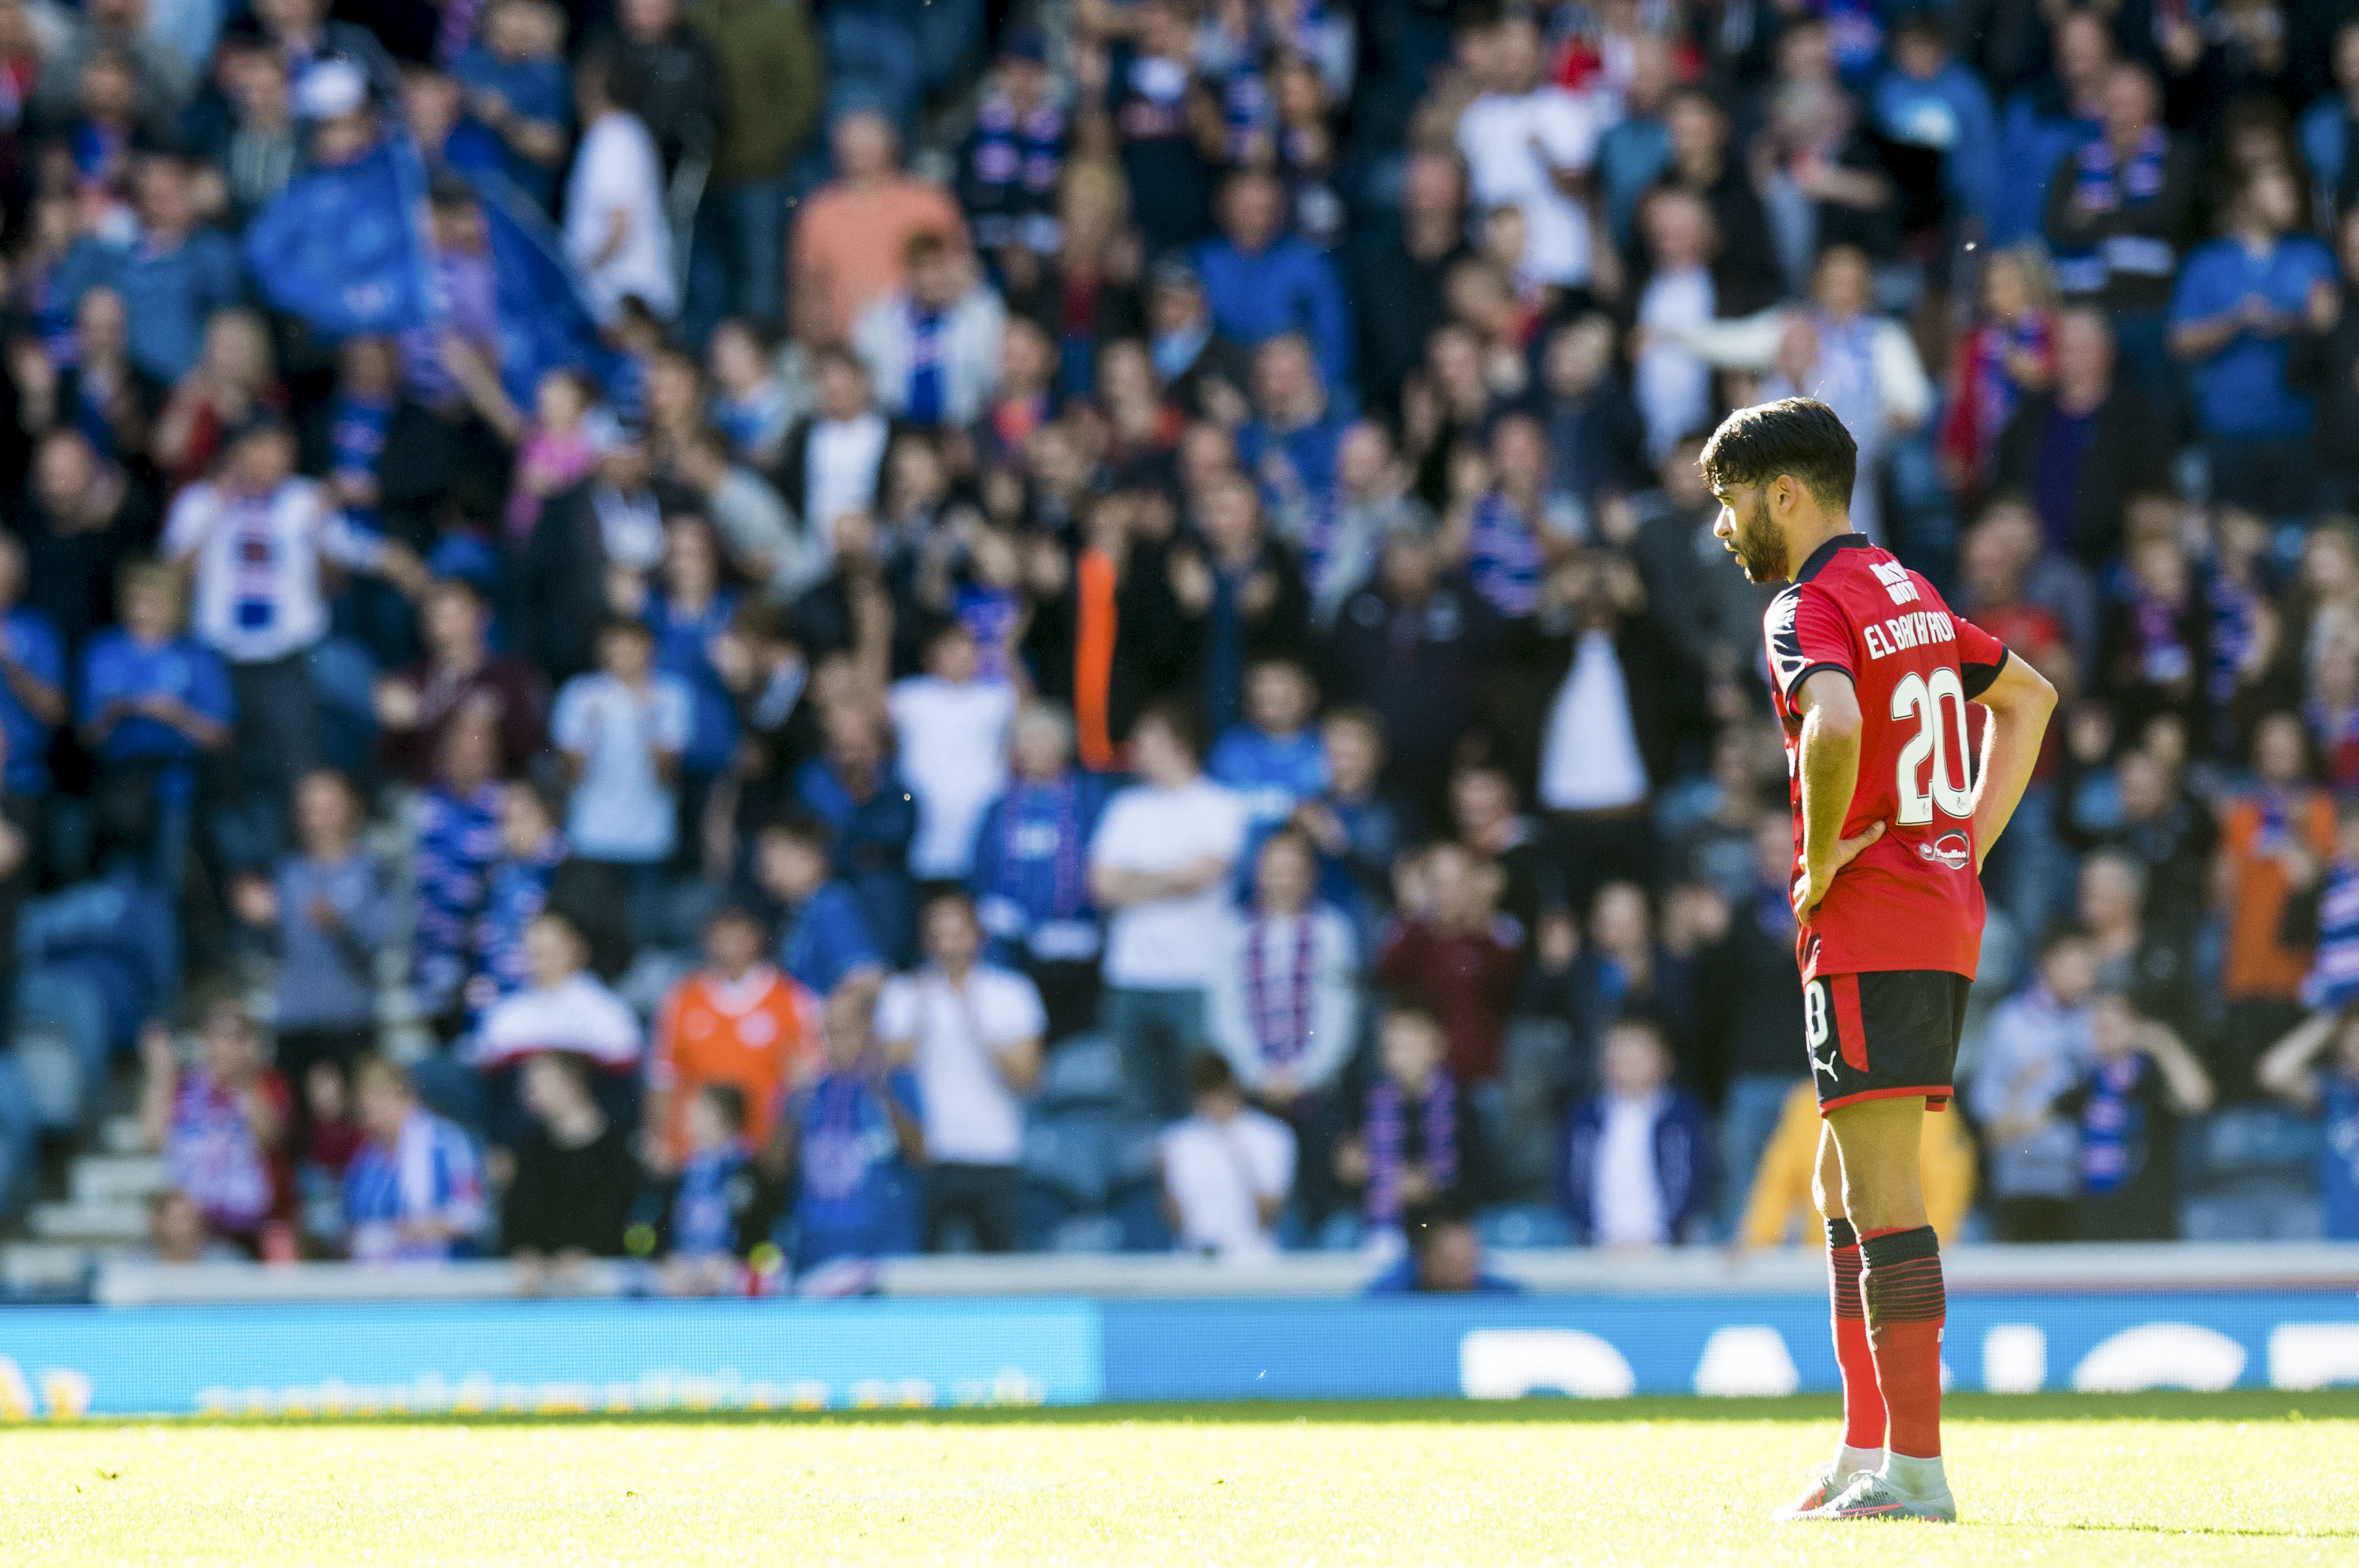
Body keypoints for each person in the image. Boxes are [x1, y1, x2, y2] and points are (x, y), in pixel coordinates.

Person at [1702, 396, 2057, 1522]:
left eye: (1731, 503)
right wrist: (1963, 842)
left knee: (1883, 1194)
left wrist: (1814, 863)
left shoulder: (1806, 607)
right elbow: (2028, 698)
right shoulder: (1905, 588)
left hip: (1871, 921)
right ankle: (1865, 1449)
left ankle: (1916, 1469)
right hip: (1930, 910)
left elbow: (1838, 727)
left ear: (1785, 494)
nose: (1726, 528)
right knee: (1836, 1183)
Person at [1089, 699, 1249, 1120]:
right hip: (1128, 974)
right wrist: (1172, 880)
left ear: (1179, 745)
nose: (1135, 750)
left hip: (1195, 975)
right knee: (1132, 1104)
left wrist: (1135, 881)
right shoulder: (1126, 807)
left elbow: (1200, 878)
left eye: (1145, 740)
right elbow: (1102, 888)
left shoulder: (1222, 805)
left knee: (1195, 1101)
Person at [875, 891, 1044, 1254]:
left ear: (977, 936)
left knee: (1001, 1277)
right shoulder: (904, 993)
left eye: (957, 934)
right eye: (939, 936)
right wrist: (922, 1015)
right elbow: (889, 1071)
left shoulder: (1011, 993)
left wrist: (972, 1012)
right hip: (931, 1156)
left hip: (997, 1152)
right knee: (927, 1277)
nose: (948, 946)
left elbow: (1028, 1079)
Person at [228, 769, 393, 1137]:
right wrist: (257, 921)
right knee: (297, 1133)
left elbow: (381, 943)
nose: (316, 816)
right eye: (309, 807)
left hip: (349, 1019)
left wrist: (340, 925)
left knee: (354, 1132)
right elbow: (272, 950)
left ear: (350, 809)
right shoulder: (288, 874)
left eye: (327, 806)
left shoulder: (369, 870)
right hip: (296, 1020)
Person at [647, 905, 821, 1169]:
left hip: (761, 1152)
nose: (729, 948)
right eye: (720, 938)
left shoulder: (790, 999)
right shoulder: (681, 998)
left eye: (739, 938)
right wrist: (660, 1140)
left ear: (758, 938)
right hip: (695, 1153)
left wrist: (785, 1145)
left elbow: (807, 1079)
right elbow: (662, 1079)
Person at [778, 985, 924, 1273]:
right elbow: (774, 1169)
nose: (834, 1043)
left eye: (845, 1031)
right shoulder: (808, 1091)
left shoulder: (896, 1083)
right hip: (817, 1254)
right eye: (827, 1033)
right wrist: (795, 1104)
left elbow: (921, 1155)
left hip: (882, 1255)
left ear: (870, 1031)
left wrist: (885, 1096)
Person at [136, 1000, 290, 1254]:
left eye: (232, 1038)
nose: (222, 1047)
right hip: (190, 1230)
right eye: (215, 1036)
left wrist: (246, 1080)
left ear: (247, 1044)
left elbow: (270, 1138)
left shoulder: (267, 1085)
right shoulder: (182, 1086)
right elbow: (152, 1138)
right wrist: (161, 1075)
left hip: (243, 1228)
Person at [2058, 991, 2214, 1241]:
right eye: (2099, 1026)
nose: (2105, 1033)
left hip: (2147, 1220)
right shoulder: (2084, 1081)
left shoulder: (2153, 1075)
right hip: (2095, 1216)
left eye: (2114, 1025)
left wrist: (2164, 1042)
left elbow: (2197, 1099)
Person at [1557, 1016, 1716, 1248]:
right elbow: (1570, 1182)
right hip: (1597, 1247)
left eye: (1637, 1058)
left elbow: (1696, 1181)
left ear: (1664, 1062)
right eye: (1617, 1057)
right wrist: (1595, 1233)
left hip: (1666, 1248)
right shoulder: (1584, 1118)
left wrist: (1664, 1234)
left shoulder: (1682, 1117)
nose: (1626, 1066)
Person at [887, 621, 1017, 890]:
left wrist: (1007, 652)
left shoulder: (998, 695)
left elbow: (1034, 720)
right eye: (951, 647)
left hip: (985, 838)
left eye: (968, 646)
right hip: (923, 838)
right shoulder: (909, 695)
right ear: (930, 655)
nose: (962, 654)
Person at [500, 1050, 642, 1289]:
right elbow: (519, 1213)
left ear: (572, 1084)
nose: (529, 1094)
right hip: (540, 1285)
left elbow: (624, 1218)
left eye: (539, 1084)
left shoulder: (618, 1151)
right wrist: (525, 1251)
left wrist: (591, 1253)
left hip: (604, 1288)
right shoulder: (530, 1149)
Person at [563, 42, 677, 322]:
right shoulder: (630, 132)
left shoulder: (611, 137)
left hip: (621, 301)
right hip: (626, 299)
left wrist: (576, 272)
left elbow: (620, 224)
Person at [343, 1055, 486, 1263]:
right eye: (366, 1104)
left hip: (443, 1274)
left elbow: (472, 1214)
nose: (372, 1111)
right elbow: (352, 1226)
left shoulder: (447, 1142)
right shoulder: (364, 1159)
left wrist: (417, 1230)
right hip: (378, 1279)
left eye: (380, 1098)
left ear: (407, 1096)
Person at [1160, 1053, 1295, 1259]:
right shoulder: (1176, 1141)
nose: (1212, 1102)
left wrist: (1241, 1161)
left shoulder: (1272, 1137)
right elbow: (1177, 1222)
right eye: (1204, 1094)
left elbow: (1267, 1217)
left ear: (1233, 1087)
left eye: (1218, 1092)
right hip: (1193, 1261)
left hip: (1252, 1262)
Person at [753, 814, 886, 998]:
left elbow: (866, 978)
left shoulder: (831, 904)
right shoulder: (802, 910)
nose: (764, 868)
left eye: (774, 856)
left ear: (810, 855)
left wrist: (836, 1019)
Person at [2256, 1005, 2359, 1239]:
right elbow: (2274, 1072)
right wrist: (2333, 1014)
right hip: (2344, 1250)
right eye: (2351, 1037)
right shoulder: (2336, 1092)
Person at [656, 1082, 766, 1296]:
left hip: (726, 1267)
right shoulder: (683, 1170)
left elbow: (756, 1230)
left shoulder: (746, 1170)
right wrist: (669, 1258)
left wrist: (730, 1260)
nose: (688, 1116)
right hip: (683, 1266)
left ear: (722, 1117)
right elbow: (665, 1225)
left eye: (699, 1110)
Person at [1362, 1198, 1523, 1294]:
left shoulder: (1503, 1299)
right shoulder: (1387, 1298)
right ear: (1425, 1258)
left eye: (1470, 1260)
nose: (1465, 1273)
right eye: (1453, 1262)